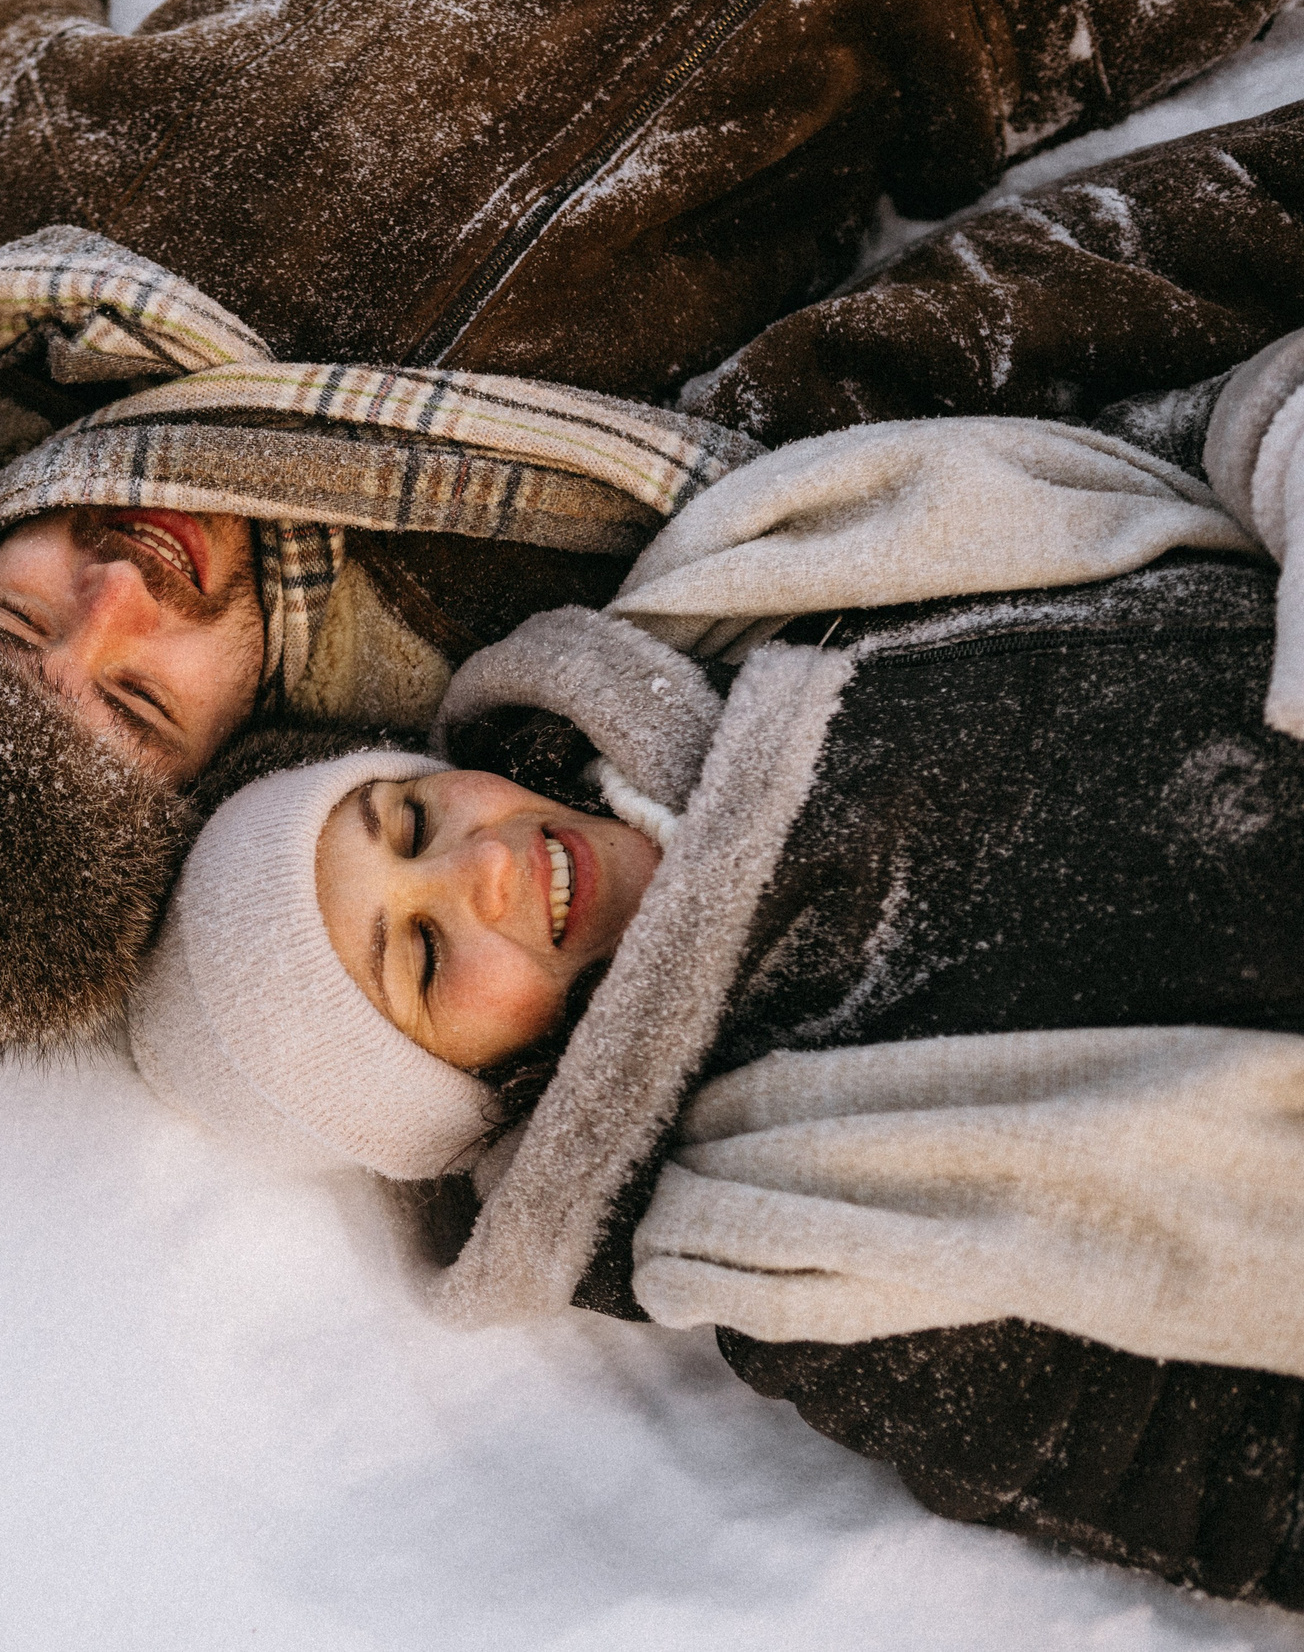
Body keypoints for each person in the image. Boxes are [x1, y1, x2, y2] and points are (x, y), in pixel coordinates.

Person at [0, 0, 1304, 1046]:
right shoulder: (507, 602)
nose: (120, 589)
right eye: (131, 698)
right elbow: (956, 336)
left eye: (14, 611)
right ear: (219, 781)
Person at [126, 382, 1304, 1603]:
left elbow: (1209, 433)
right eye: (418, 957)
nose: (476, 867)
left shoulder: (758, 593)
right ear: (466, 1088)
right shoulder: (768, 1242)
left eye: (410, 820)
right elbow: (1216, 1477)